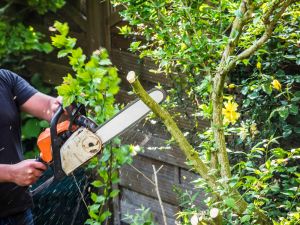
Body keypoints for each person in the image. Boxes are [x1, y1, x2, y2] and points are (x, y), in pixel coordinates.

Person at [0, 69, 62, 225]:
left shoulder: (4, 79)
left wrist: (60, 106)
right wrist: (10, 173)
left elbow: (48, 107)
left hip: (17, 211)